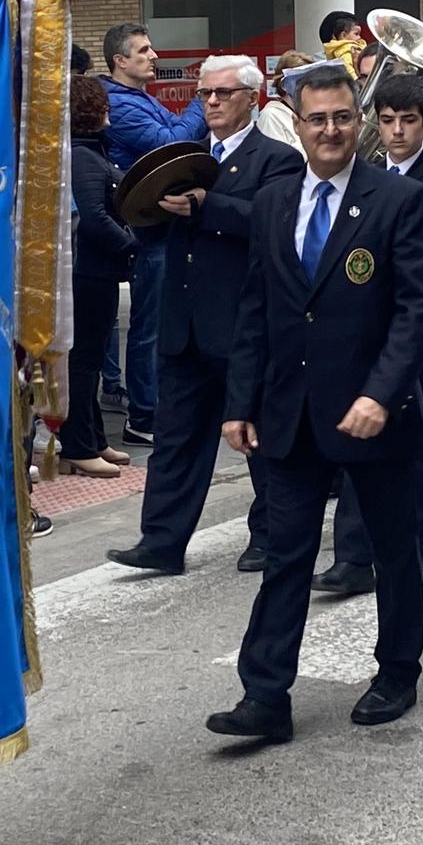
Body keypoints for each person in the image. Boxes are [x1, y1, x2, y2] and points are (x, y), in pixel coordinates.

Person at [209, 64, 423, 741]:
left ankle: (397, 671)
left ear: (356, 121)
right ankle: (265, 695)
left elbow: (419, 310)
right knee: (287, 554)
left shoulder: (396, 201)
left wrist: (381, 393)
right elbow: (258, 309)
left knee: (394, 550)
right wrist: (238, 402)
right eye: (318, 119)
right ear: (297, 122)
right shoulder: (276, 201)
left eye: (343, 117)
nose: (332, 130)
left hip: (373, 417)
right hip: (289, 416)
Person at [107, 56, 301, 572]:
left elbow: (274, 222)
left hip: (242, 324)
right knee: (175, 439)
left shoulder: (276, 158)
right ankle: (162, 541)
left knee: (257, 436)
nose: (211, 102)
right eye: (204, 93)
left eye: (223, 93)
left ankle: (270, 534)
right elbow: (157, 228)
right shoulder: (188, 158)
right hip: (186, 324)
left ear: (251, 98)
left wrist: (205, 205)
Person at [318, 75, 423, 588]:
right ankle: (354, 556)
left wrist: (389, 267)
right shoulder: (359, 177)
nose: (397, 132)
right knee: (355, 440)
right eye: (387, 122)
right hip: (363, 334)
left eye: (408, 121)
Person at [100, 22, 209, 447]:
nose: (154, 57)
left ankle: (156, 407)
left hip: (163, 226)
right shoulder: (123, 105)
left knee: (162, 323)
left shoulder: (138, 100)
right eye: (144, 51)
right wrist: (202, 98)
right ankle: (143, 416)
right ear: (120, 61)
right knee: (149, 327)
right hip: (148, 229)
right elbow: (174, 140)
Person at [66, 77, 137, 478]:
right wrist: (132, 244)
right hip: (88, 273)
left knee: (89, 360)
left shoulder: (89, 153)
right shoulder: (83, 157)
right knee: (84, 361)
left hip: (94, 272)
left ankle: (91, 438)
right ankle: (78, 444)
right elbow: (93, 218)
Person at [257, 51, 316, 147]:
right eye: (300, 79)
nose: (308, 85)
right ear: (283, 84)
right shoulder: (271, 116)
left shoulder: (308, 112)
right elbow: (275, 158)